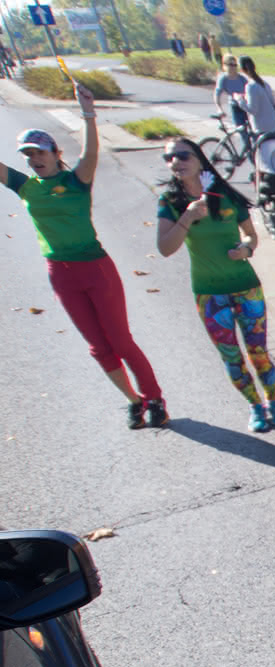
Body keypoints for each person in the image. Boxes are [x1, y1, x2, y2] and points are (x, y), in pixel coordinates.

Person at [3, 90, 167, 429]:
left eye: (40, 152)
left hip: (95, 268)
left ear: (54, 153)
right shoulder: (25, 186)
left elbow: (91, 152)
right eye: (28, 154)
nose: (34, 159)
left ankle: (154, 399)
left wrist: (88, 113)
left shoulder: (77, 181)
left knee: (120, 341)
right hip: (60, 274)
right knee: (98, 347)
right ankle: (133, 402)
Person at [155, 137, 275, 432]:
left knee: (258, 352)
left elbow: (252, 236)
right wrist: (188, 215)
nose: (175, 162)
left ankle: (274, 401)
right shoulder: (171, 203)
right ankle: (255, 407)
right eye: (169, 158)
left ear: (200, 159)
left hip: (246, 287)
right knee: (231, 356)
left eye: (183, 155)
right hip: (209, 294)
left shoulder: (224, 194)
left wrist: (246, 249)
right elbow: (165, 248)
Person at [237, 56, 275, 149]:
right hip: (273, 125)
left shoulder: (250, 86)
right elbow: (273, 103)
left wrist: (239, 100)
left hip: (261, 128)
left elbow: (253, 110)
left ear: (242, 70)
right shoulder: (264, 84)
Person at [214, 54, 249, 133]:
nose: (233, 67)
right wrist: (219, 109)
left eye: (235, 65)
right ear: (225, 65)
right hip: (235, 107)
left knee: (253, 133)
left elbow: (250, 92)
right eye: (231, 65)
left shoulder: (241, 78)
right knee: (243, 133)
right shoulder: (223, 78)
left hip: (246, 106)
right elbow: (217, 94)